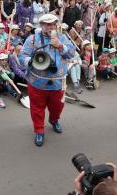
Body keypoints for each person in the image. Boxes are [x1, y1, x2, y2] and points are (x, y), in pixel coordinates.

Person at [22, 13, 75, 146]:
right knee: (37, 108)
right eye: (47, 24)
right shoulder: (32, 39)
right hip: (37, 82)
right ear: (41, 25)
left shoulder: (62, 37)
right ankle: (39, 130)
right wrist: (31, 62)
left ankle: (54, 119)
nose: (51, 27)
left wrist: (60, 46)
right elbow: (23, 56)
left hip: (58, 81)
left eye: (53, 24)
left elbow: (72, 53)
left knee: (58, 106)